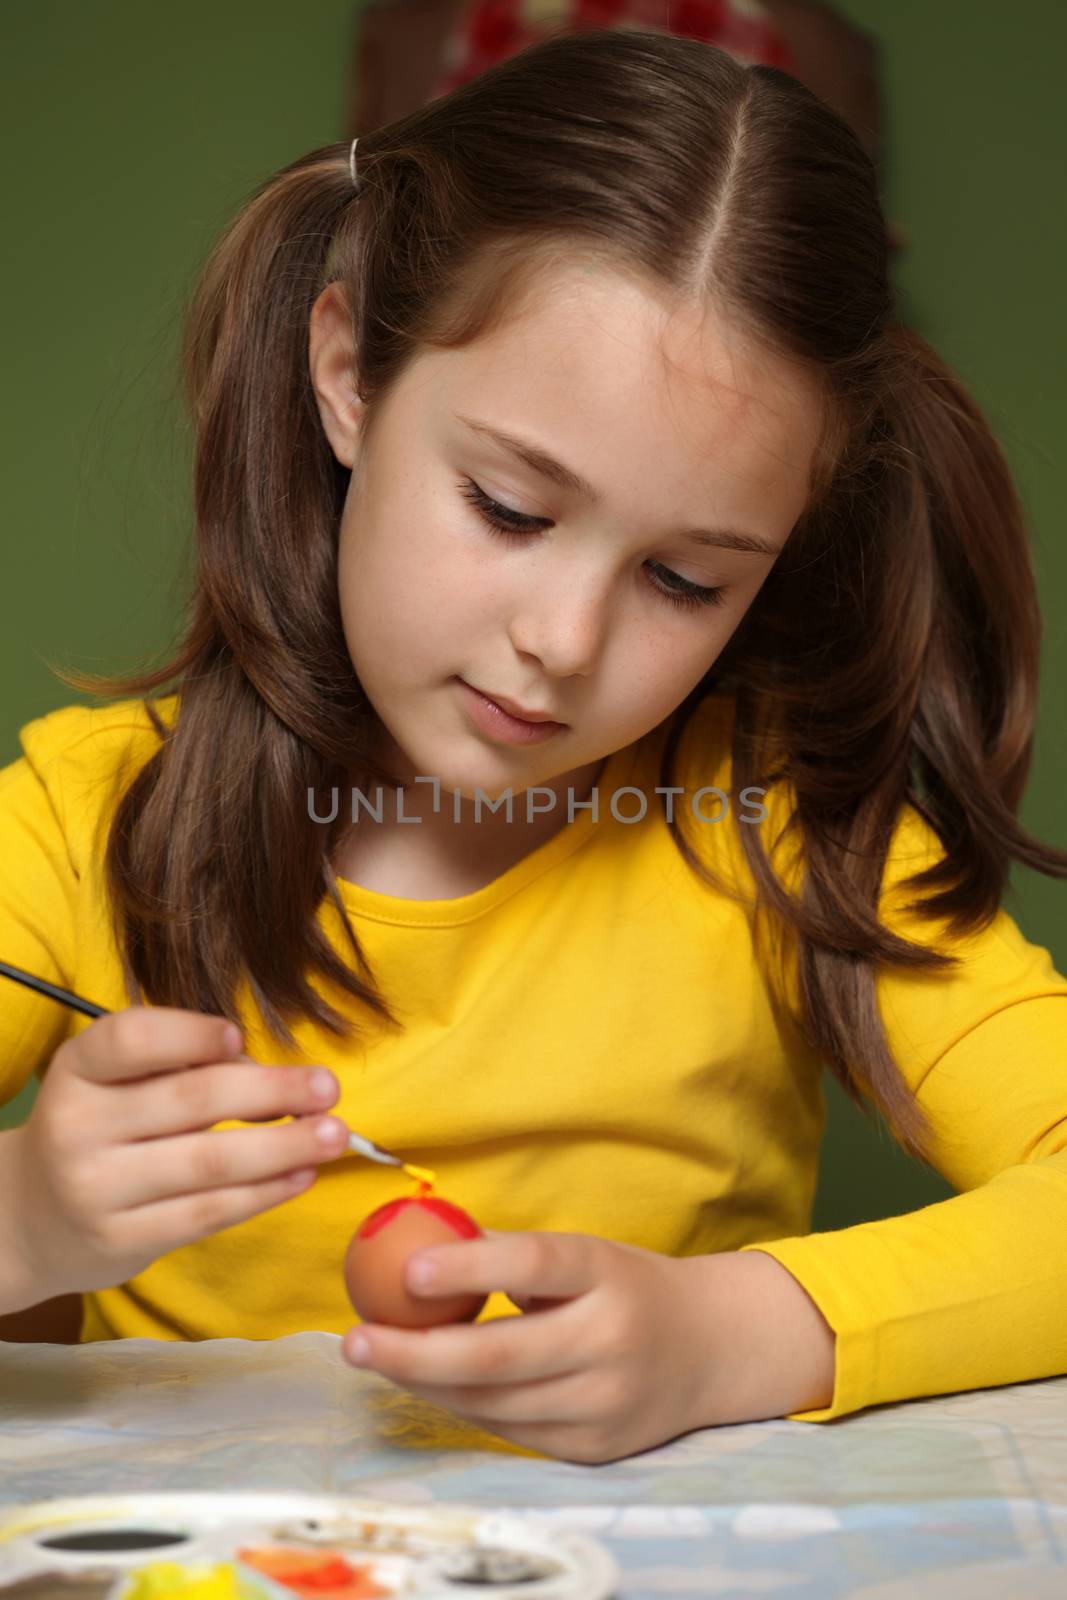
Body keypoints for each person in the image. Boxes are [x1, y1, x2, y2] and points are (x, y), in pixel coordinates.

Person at [1, 29, 1065, 1469]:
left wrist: (727, 1339)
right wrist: (24, 1220)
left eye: (687, 580)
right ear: (348, 377)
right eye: (510, 506)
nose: (564, 639)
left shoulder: (778, 828)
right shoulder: (82, 827)